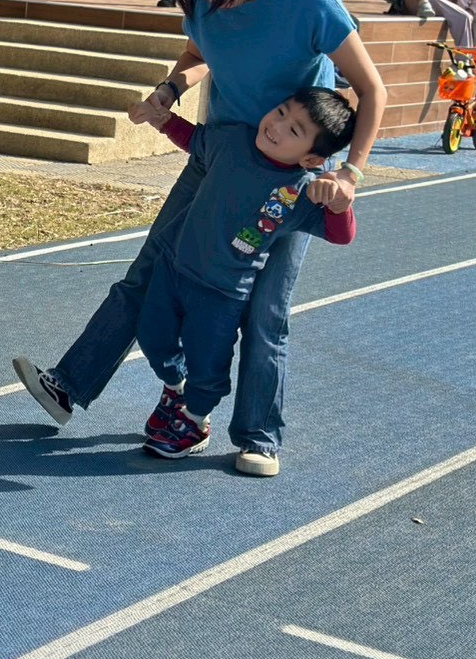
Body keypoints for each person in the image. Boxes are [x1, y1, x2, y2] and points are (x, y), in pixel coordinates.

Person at [12, 0, 386, 478]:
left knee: (265, 310)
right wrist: (168, 91)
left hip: (290, 178)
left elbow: (372, 90)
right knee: (151, 268)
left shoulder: (309, 0)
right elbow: (197, 54)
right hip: (221, 154)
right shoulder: (203, 1)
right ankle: (70, 384)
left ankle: (258, 435)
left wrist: (349, 174)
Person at [134, 88, 357, 458]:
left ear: (311, 158)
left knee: (208, 365)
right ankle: (176, 387)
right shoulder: (233, 142)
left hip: (222, 294)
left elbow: (341, 235)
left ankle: (194, 420)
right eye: (281, 111)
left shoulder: (302, 192)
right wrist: (162, 120)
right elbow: (194, 139)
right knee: (151, 335)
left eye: (294, 130)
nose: (277, 125)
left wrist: (338, 203)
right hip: (175, 269)